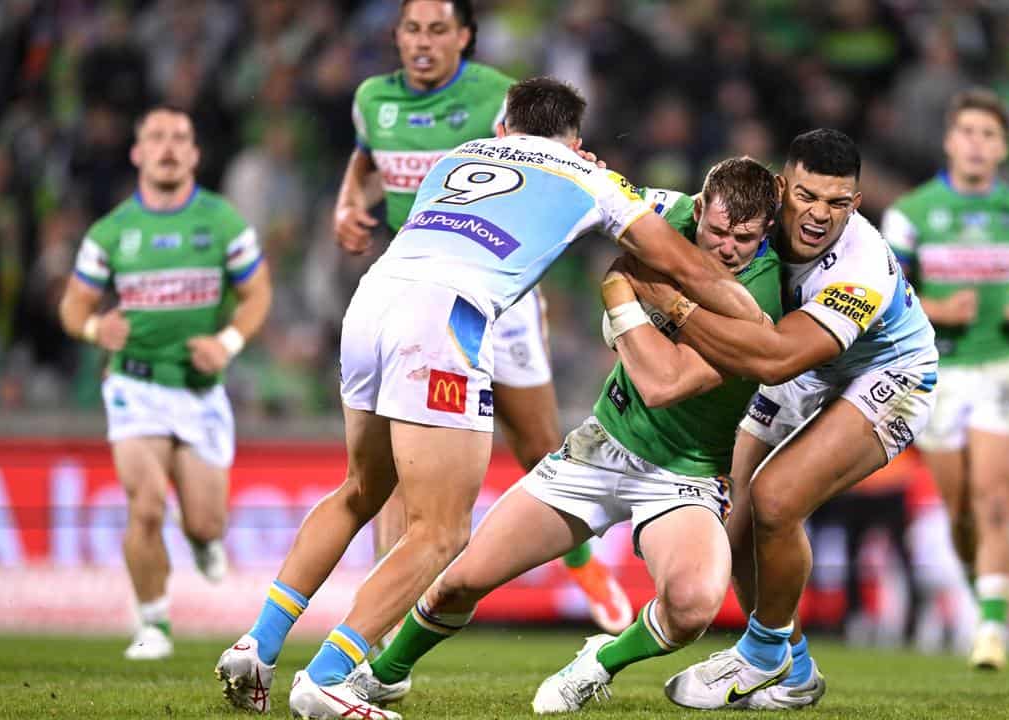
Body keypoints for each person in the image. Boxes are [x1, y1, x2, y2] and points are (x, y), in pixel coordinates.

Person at [215, 77, 766, 718]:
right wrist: (757, 324)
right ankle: (332, 676)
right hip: (445, 321)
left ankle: (259, 644)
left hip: (371, 302)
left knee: (360, 489)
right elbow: (694, 265)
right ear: (577, 140)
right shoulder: (588, 176)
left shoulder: (459, 155)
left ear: (505, 129)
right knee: (442, 531)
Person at [332, 158, 784, 716]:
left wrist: (622, 292)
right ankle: (384, 675)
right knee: (458, 582)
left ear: (767, 229)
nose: (728, 248)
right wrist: (579, 163)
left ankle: (598, 663)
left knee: (692, 607)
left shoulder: (769, 297)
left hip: (684, 475)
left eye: (745, 237)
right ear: (701, 208)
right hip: (600, 449)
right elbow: (596, 193)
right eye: (716, 231)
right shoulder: (675, 213)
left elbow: (663, 382)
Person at [334, 0, 630, 635]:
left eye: (439, 29)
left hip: (502, 288)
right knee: (394, 472)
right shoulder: (370, 100)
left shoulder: (500, 97)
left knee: (535, 444)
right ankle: (381, 628)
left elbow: (558, 162)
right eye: (412, 28)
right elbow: (366, 158)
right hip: (414, 285)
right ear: (396, 35)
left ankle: (582, 564)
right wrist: (347, 202)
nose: (423, 42)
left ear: (465, 38)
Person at [631, 129, 938, 710]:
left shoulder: (860, 268)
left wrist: (670, 303)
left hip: (889, 374)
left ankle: (762, 652)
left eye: (838, 202)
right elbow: (629, 201)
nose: (820, 214)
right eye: (807, 196)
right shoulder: (752, 213)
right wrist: (568, 165)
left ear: (857, 201)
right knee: (737, 519)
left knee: (777, 499)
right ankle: (794, 670)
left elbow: (774, 360)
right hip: (809, 364)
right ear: (779, 189)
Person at [58, 106, 271, 661]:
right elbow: (73, 303)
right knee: (146, 504)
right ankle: (152, 623)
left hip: (200, 390)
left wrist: (225, 344)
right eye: (156, 137)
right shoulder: (113, 231)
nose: (169, 147)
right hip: (135, 384)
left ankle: (202, 540)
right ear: (137, 153)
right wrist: (91, 326)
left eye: (180, 137)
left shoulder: (223, 222)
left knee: (206, 521)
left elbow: (258, 294)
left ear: (195, 153)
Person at [880, 88, 1009, 670]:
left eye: (989, 134)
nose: (977, 143)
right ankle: (977, 582)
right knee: (959, 510)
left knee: (993, 500)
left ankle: (990, 628)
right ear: (948, 140)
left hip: (1000, 369)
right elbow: (884, 296)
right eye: (968, 132)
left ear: (1004, 147)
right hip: (937, 374)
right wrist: (935, 308)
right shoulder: (912, 212)